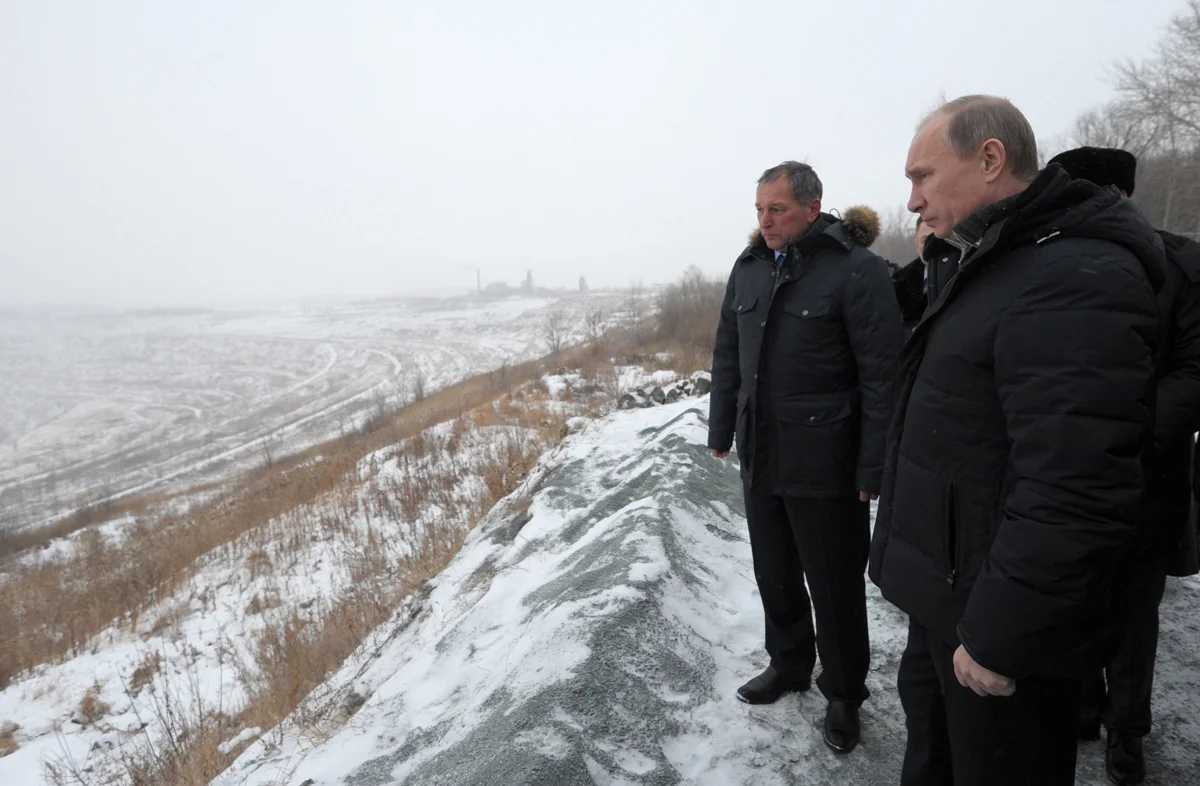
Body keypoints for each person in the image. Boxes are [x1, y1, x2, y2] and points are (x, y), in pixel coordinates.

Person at [868, 96, 1164, 786]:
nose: (911, 201)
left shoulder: (1074, 276)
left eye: (923, 176)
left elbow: (1076, 485)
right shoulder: (994, 263)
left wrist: (1000, 636)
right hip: (950, 598)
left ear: (990, 159)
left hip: (1002, 632)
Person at [708, 161, 903, 754]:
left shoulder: (856, 270)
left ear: (813, 208)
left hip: (826, 459)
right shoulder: (748, 268)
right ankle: (789, 662)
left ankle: (844, 693)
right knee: (773, 569)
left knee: (833, 582)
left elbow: (882, 378)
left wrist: (873, 466)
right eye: (759, 210)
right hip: (761, 452)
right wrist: (722, 426)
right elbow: (727, 354)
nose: (765, 221)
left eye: (777, 210)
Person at [1048, 145, 1200, 785]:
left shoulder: (1180, 266)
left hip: (1147, 476)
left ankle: (1127, 729)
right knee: (1075, 596)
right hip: (1065, 473)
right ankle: (1082, 705)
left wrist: (1124, 436)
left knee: (1134, 611)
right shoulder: (1052, 261)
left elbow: (1193, 371)